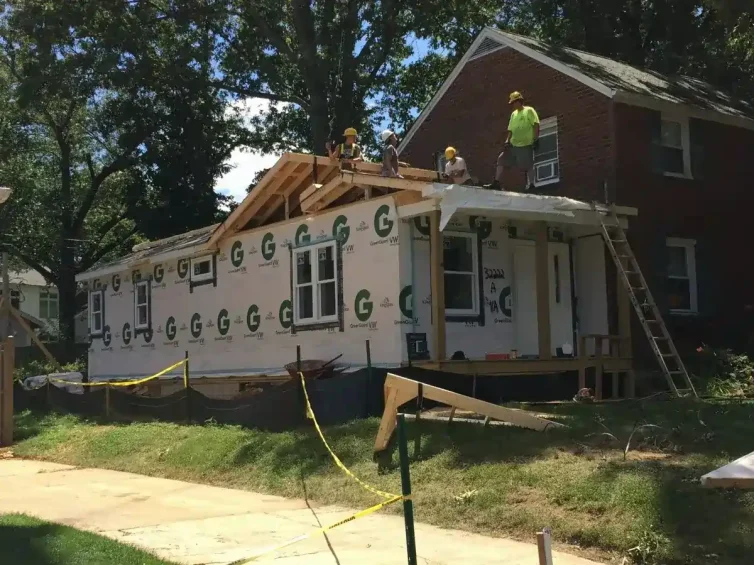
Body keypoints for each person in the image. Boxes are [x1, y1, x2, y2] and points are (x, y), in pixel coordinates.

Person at [486, 91, 540, 191]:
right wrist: (507, 140)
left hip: (525, 144)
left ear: (519, 101)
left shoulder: (529, 110)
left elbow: (536, 124)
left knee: (528, 165)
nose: (512, 105)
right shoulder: (513, 114)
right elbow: (510, 129)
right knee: (501, 159)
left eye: (514, 102)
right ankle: (496, 182)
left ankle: (532, 185)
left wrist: (536, 139)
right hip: (513, 144)